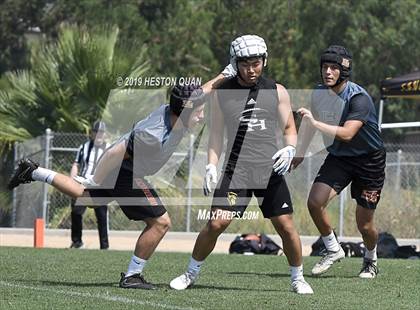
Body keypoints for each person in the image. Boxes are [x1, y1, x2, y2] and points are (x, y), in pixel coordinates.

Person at [8, 83, 207, 289]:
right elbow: (115, 154)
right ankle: (132, 276)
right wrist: (97, 178)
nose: (202, 117)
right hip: (127, 171)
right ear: (184, 111)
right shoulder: (153, 136)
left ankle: (33, 171)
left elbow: (201, 93)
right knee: (160, 222)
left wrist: (227, 73)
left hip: (126, 169)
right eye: (199, 113)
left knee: (85, 195)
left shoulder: (176, 111)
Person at [170, 35, 313, 294]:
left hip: (269, 170)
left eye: (256, 63)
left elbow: (290, 127)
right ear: (235, 63)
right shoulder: (222, 93)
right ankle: (191, 273)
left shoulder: (277, 90)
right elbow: (215, 136)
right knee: (216, 223)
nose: (251, 69)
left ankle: (298, 278)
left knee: (286, 225)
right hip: (237, 171)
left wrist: (290, 148)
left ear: (264, 61)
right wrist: (211, 166)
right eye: (245, 63)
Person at [291, 45, 386, 279]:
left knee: (364, 226)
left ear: (344, 71)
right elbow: (309, 125)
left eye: (334, 68)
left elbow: (347, 134)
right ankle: (333, 249)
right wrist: (299, 154)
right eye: (325, 67)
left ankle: (370, 259)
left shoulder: (359, 98)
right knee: (314, 202)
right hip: (340, 158)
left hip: (369, 161)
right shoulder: (319, 93)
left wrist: (314, 123)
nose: (328, 72)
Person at [70, 120, 109, 249]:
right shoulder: (84, 147)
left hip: (100, 186)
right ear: (91, 133)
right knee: (76, 212)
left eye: (101, 132)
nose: (99, 135)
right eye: (96, 132)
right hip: (83, 184)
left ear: (105, 134)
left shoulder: (109, 148)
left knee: (102, 216)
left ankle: (104, 246)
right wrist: (72, 180)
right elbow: (76, 164)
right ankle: (77, 242)